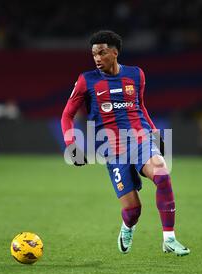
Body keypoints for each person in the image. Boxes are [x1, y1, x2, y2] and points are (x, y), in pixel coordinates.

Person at [60, 30, 190, 256]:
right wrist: (72, 145)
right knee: (133, 210)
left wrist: (156, 136)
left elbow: (141, 107)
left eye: (102, 53)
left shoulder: (136, 75)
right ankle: (127, 227)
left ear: (115, 52)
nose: (97, 58)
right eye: (94, 54)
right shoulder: (86, 80)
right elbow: (67, 116)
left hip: (139, 140)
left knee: (163, 176)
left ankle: (169, 238)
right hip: (111, 149)